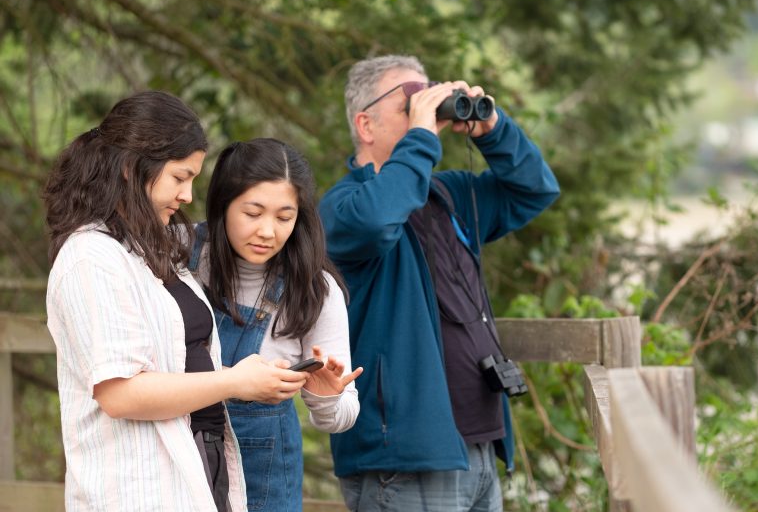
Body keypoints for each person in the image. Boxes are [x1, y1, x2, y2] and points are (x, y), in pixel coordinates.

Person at [44, 91, 310, 512]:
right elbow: (121, 393)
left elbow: (172, 365)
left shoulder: (153, 248)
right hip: (137, 490)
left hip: (201, 472)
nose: (188, 195)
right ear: (133, 168)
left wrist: (254, 378)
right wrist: (235, 381)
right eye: (179, 177)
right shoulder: (90, 258)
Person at [319, 55, 560, 511]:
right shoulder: (342, 209)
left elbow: (535, 190)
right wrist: (422, 138)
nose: (425, 111)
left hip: (479, 444)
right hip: (405, 461)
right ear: (365, 125)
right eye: (411, 103)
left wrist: (494, 130)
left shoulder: (446, 195)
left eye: (429, 98)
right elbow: (377, 220)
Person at [189, 138, 362, 511]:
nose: (268, 232)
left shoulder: (314, 289)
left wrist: (326, 395)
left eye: (284, 217)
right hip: (178, 461)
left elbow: (343, 415)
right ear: (222, 205)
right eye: (253, 213)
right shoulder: (176, 254)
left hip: (263, 481)